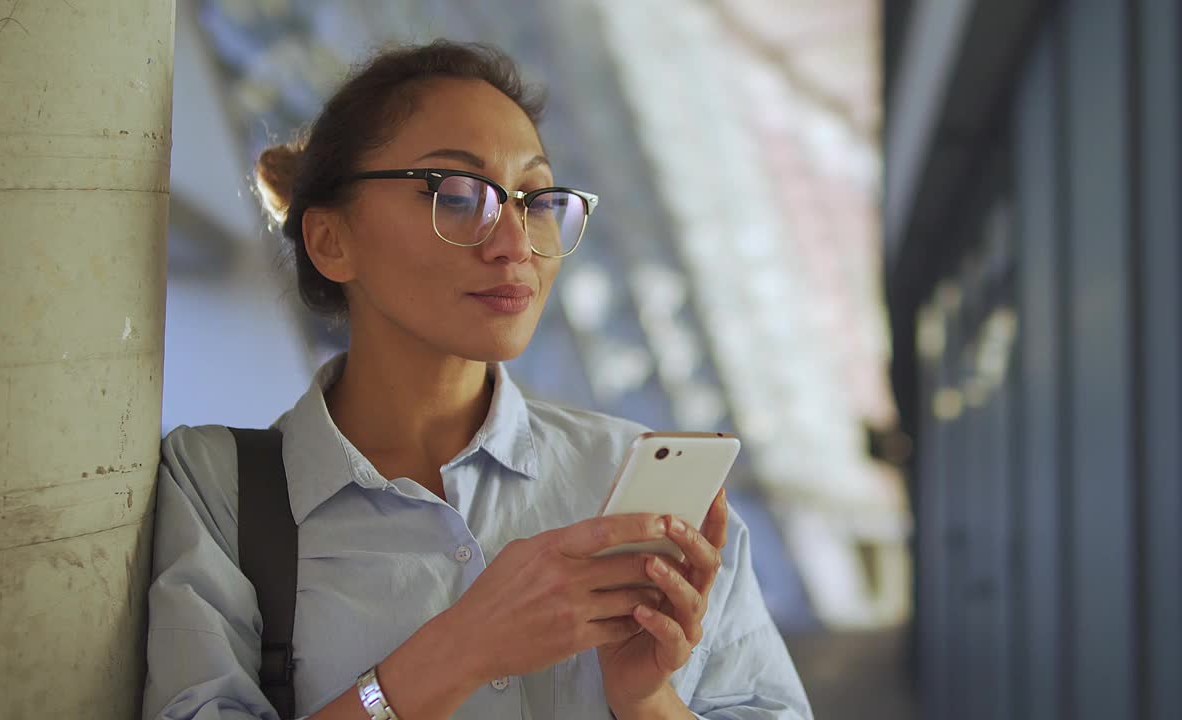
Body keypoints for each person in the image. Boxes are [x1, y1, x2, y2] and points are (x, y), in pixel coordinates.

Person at [142, 39, 813, 720]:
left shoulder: (634, 486)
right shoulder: (218, 488)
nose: (515, 242)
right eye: (458, 194)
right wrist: (463, 648)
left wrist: (644, 698)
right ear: (330, 242)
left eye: (536, 199)